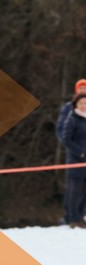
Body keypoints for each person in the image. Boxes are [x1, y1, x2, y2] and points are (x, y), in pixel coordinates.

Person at [58, 81, 86, 224]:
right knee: (74, 188)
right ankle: (70, 217)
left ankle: (81, 216)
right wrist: (76, 150)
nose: (83, 90)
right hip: (75, 156)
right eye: (81, 88)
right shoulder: (69, 110)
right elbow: (63, 133)